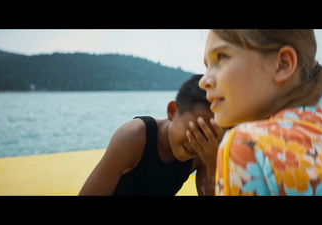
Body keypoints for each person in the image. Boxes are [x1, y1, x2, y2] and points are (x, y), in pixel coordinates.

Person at [199, 29, 322, 196]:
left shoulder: (246, 144)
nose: (203, 81)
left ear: (283, 64)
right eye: (207, 65)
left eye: (221, 57)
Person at [79, 74, 224, 196]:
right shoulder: (132, 137)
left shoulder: (204, 152)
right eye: (194, 129)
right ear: (173, 111)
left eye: (209, 135)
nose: (196, 142)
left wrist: (213, 168)